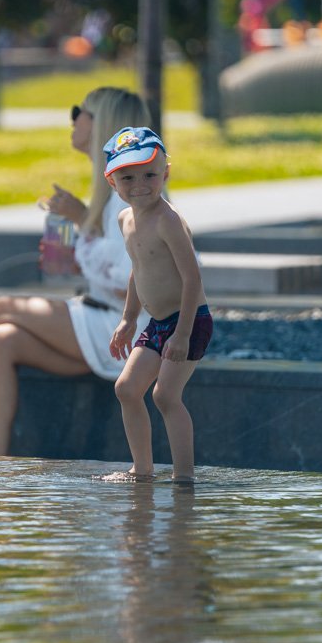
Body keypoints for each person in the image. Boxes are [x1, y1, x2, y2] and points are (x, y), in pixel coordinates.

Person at [0, 87, 152, 456]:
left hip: (129, 333)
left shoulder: (128, 195)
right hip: (107, 324)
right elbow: (117, 262)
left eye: (78, 112)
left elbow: (132, 281)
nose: (72, 120)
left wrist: (81, 226)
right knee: (1, 339)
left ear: (99, 122)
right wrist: (82, 235)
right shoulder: (115, 193)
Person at [105, 128, 212, 484]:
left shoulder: (168, 221)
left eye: (150, 174)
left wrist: (181, 335)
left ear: (165, 172)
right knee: (126, 389)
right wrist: (128, 319)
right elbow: (139, 270)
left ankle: (184, 477)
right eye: (128, 177)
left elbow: (192, 279)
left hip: (189, 320)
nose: (140, 184)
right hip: (158, 321)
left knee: (165, 395)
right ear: (112, 182)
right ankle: (143, 469)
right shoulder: (126, 220)